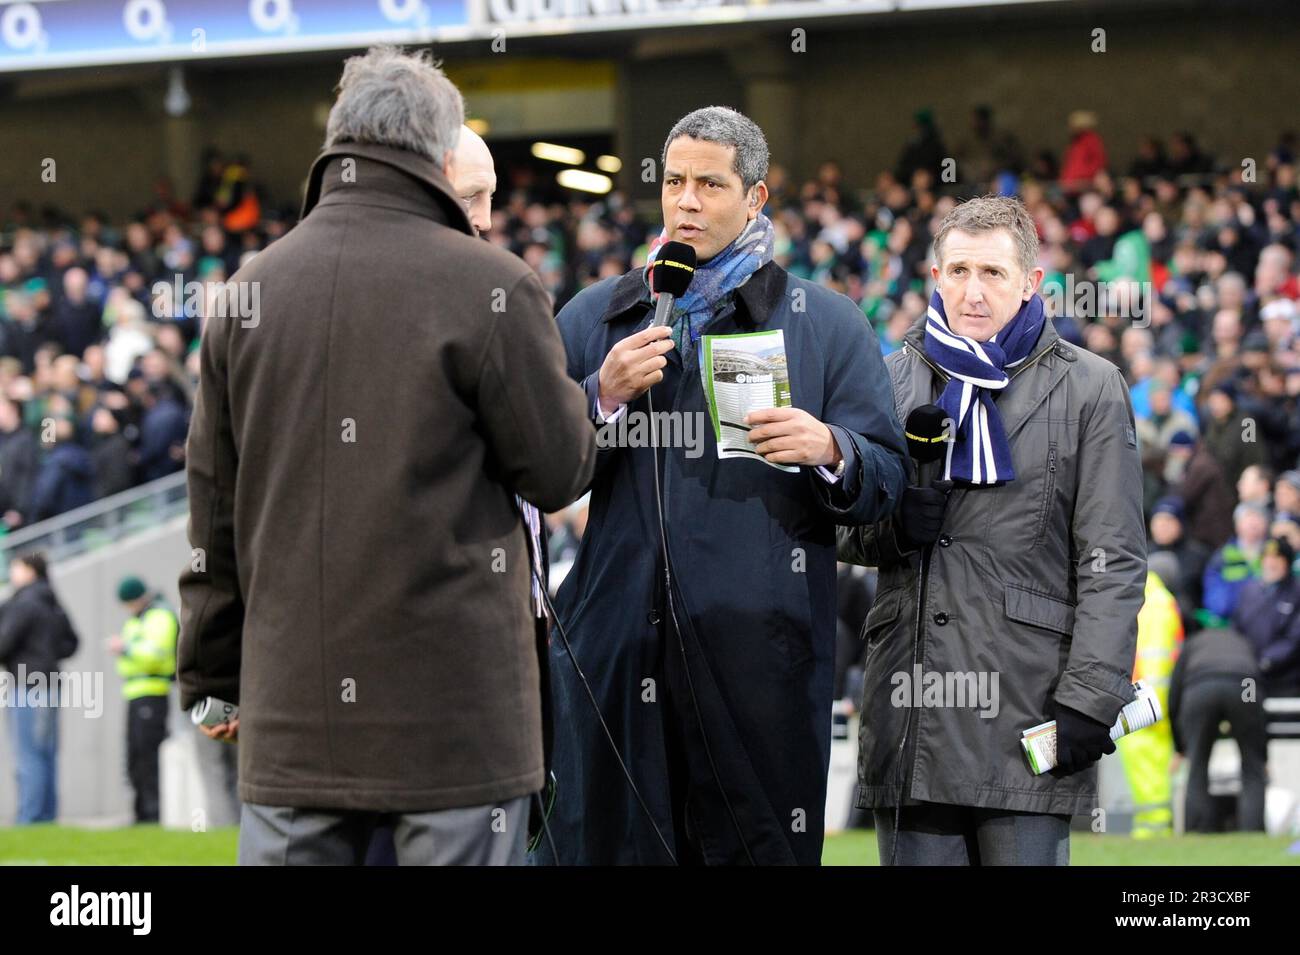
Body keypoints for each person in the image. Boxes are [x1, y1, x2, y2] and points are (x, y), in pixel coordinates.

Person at [177, 47, 596, 867]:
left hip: (293, 711)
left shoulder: (248, 294)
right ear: (440, 155)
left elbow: (213, 513)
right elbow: (559, 470)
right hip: (455, 719)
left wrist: (213, 676)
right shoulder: (491, 285)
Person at [537, 106, 908, 865]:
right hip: (616, 661)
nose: (686, 201)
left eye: (710, 183)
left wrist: (831, 448)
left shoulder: (825, 323)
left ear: (756, 198)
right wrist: (597, 398)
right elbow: (536, 467)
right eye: (674, 181)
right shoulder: (595, 316)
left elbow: (890, 477)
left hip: (757, 661)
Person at [839, 195, 1146, 865]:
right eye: (957, 271)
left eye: (992, 274)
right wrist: (891, 527)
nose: (971, 292)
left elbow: (1113, 557)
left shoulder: (1091, 387)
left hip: (1028, 713)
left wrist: (1093, 696)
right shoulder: (889, 378)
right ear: (934, 276)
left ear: (1032, 282)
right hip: (911, 707)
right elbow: (841, 530)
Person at [0, 553, 79, 823]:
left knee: (28, 754)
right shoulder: (52, 602)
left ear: (30, 571)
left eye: (16, 567)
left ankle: (29, 818)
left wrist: (28, 656)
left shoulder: (24, 602)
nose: (12, 573)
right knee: (45, 753)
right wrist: (46, 653)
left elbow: (3, 644)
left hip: (27, 684)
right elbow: (72, 643)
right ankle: (45, 816)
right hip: (49, 684)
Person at [1168, 627, 1266, 832]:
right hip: (1243, 686)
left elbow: (1174, 695)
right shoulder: (1243, 640)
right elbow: (1260, 695)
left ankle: (1196, 834)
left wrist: (1181, 748)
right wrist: (1262, 756)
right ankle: (1253, 834)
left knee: (1197, 767)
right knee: (1252, 769)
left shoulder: (1193, 642)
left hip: (1200, 687)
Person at [108, 576, 178, 823]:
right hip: (134, 692)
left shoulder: (160, 617)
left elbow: (155, 655)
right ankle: (140, 815)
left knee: (149, 756)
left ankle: (153, 814)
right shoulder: (136, 621)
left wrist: (126, 649)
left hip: (153, 692)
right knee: (135, 756)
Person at [1232, 536, 1300, 697]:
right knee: (1249, 716)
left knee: (1283, 719)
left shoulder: (1296, 592)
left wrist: (1266, 661)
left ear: (1287, 562)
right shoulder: (1249, 590)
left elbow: (1294, 639)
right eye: (1267, 558)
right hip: (1249, 676)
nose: (1271, 563)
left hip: (1287, 678)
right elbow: (1236, 627)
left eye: (1277, 558)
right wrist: (1244, 660)